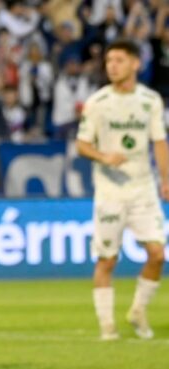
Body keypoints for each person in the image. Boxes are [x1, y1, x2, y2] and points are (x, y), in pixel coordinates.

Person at [76, 38, 169, 341]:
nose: (112, 66)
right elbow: (82, 144)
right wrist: (104, 157)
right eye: (109, 61)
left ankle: (138, 311)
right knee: (107, 260)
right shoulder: (98, 103)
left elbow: (159, 142)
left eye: (118, 60)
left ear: (135, 64)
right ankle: (107, 328)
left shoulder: (151, 101)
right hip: (110, 192)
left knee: (157, 254)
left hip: (143, 189)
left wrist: (166, 180)